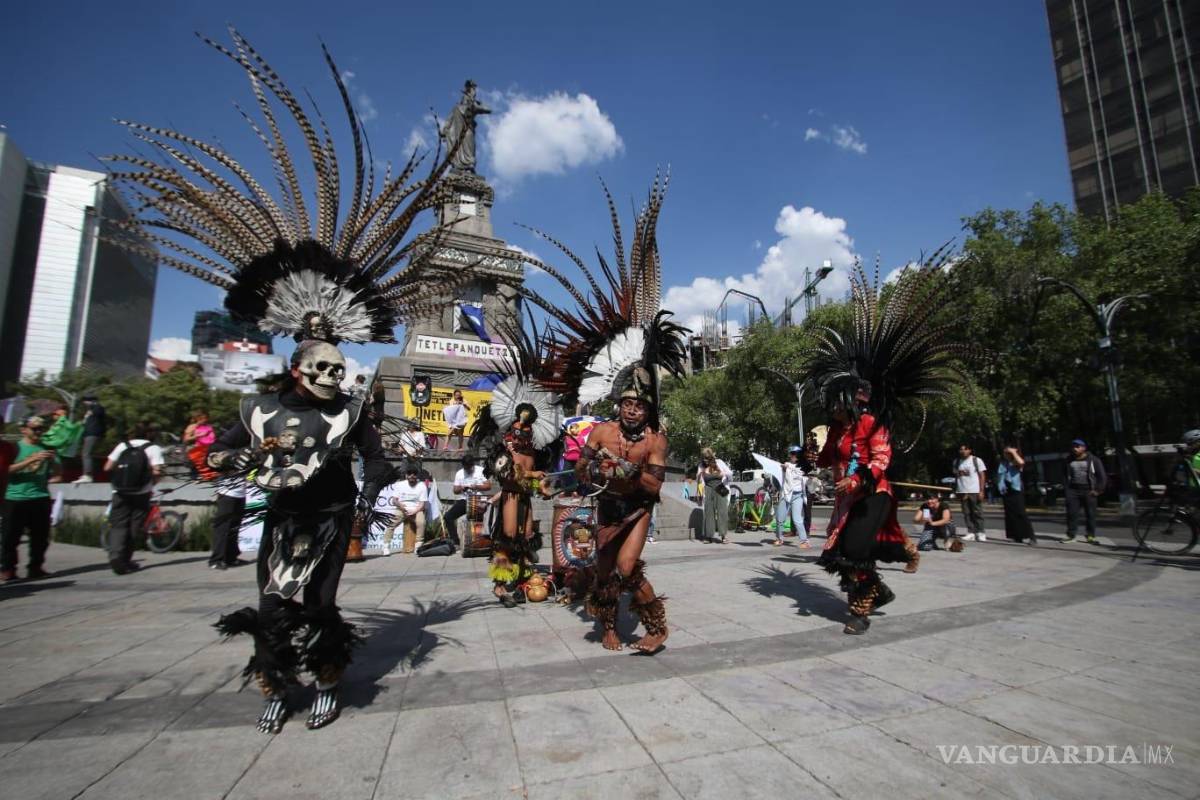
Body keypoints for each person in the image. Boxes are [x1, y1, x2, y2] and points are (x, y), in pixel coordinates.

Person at [105, 28, 466, 734]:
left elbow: (374, 454)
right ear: (297, 368)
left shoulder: (354, 406)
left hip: (331, 522)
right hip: (281, 519)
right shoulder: (261, 405)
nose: (334, 373)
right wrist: (227, 461)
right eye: (322, 367)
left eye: (339, 366)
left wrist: (369, 493)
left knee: (322, 606)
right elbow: (222, 453)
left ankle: (327, 677)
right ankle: (274, 678)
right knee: (274, 605)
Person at [804, 261, 977, 635]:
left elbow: (882, 457)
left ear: (852, 399)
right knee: (842, 553)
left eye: (838, 402)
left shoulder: (870, 422)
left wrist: (858, 479)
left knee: (856, 547)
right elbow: (829, 458)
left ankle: (861, 610)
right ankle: (877, 590)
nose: (833, 408)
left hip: (873, 493)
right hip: (845, 498)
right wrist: (811, 457)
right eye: (830, 404)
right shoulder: (837, 428)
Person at [103, 421, 166, 574]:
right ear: (149, 434)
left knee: (118, 525)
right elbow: (158, 471)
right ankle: (126, 560)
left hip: (120, 492)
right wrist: (152, 483)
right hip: (141, 493)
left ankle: (115, 556)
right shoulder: (153, 448)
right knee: (134, 526)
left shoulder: (123, 446)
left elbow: (107, 467)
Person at [1, 416, 59, 581]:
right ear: (24, 430)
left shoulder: (46, 447)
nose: (39, 432)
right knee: (10, 537)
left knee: (41, 537)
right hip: (15, 497)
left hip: (39, 496)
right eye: (35, 429)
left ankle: (36, 567)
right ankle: (8, 569)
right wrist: (32, 459)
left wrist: (53, 461)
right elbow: (7, 470)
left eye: (41, 428)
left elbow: (57, 473)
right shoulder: (14, 448)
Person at [442, 453, 492, 546]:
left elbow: (488, 486)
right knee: (448, 517)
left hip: (479, 499)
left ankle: (486, 541)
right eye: (466, 468)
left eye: (470, 467)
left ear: (473, 465)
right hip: (465, 500)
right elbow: (455, 490)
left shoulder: (481, 471)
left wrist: (476, 487)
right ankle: (455, 542)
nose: (468, 470)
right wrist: (462, 488)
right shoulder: (459, 473)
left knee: (483, 519)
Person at [1063, 438, 1107, 544]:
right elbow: (1065, 475)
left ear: (1084, 448)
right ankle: (1071, 535)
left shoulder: (1093, 460)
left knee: (1090, 514)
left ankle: (1090, 536)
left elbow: (1102, 476)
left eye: (1078, 446)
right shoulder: (1069, 460)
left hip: (1088, 490)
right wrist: (1067, 489)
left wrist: (1098, 490)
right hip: (1073, 490)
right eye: (1073, 446)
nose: (1075, 448)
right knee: (1071, 514)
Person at [384, 465, 430, 554]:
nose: (412, 476)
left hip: (416, 509)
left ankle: (418, 545)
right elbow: (394, 500)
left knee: (421, 522)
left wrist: (414, 511)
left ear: (417, 476)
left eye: (414, 474)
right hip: (402, 509)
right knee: (391, 523)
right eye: (409, 473)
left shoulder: (422, 486)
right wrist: (401, 507)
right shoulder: (400, 484)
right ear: (406, 475)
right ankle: (386, 545)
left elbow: (422, 504)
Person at [997, 441, 1036, 545]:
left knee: (1021, 513)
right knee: (1010, 514)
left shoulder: (1015, 462)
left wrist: (1013, 452)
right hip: (1005, 490)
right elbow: (1000, 476)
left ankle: (1031, 536)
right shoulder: (1003, 463)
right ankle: (1017, 535)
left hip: (1016, 489)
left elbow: (1021, 462)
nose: (1006, 454)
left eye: (1008, 452)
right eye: (1005, 452)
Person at [209, 477, 248, 569]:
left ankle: (231, 558)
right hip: (227, 493)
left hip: (240, 493)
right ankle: (216, 560)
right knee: (223, 528)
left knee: (234, 527)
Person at [776, 445, 810, 548]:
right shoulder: (786, 465)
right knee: (780, 518)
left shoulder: (803, 466)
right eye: (792, 454)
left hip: (797, 495)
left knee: (797, 519)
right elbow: (782, 470)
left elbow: (800, 472)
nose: (793, 456)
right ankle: (779, 538)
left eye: (795, 454)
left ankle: (804, 541)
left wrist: (788, 467)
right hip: (786, 494)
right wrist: (783, 467)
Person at [954, 444, 988, 542]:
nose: (963, 451)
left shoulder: (976, 460)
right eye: (961, 449)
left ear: (970, 450)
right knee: (966, 513)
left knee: (977, 512)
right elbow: (957, 477)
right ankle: (971, 532)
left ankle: (981, 532)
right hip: (962, 491)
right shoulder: (956, 462)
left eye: (965, 449)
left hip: (974, 491)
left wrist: (981, 490)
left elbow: (982, 475)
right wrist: (957, 490)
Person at [698, 448, 732, 543]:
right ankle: (709, 536)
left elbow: (730, 474)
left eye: (708, 458)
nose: (706, 460)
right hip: (708, 490)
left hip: (720, 488)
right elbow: (700, 481)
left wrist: (724, 474)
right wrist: (700, 494)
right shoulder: (701, 466)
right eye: (705, 458)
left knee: (722, 512)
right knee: (709, 513)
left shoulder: (719, 462)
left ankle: (723, 535)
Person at [42, 404, 83, 481]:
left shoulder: (63, 422)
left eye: (56, 414)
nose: (53, 415)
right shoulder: (56, 424)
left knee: (55, 460)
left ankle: (57, 476)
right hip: (50, 449)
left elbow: (70, 431)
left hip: (54, 449)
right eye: (53, 413)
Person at [73, 395, 107, 483]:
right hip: (88, 433)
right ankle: (87, 474)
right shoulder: (90, 411)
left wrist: (93, 405)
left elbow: (99, 413)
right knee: (86, 453)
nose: (85, 404)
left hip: (93, 433)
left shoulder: (98, 408)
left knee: (86, 453)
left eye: (86, 401)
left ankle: (87, 475)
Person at [183, 410, 217, 480]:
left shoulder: (208, 426)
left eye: (206, 418)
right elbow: (186, 439)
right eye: (202, 418)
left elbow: (212, 437)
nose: (205, 420)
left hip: (207, 448)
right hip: (195, 449)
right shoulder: (192, 427)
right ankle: (196, 475)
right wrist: (199, 436)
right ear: (197, 418)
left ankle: (209, 475)